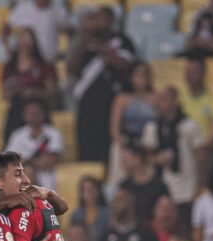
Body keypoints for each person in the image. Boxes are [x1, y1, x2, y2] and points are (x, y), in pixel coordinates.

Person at [67, 6, 135, 162]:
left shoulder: (121, 40)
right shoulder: (85, 42)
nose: (98, 22)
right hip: (87, 103)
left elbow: (124, 64)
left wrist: (101, 49)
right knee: (87, 146)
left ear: (111, 20)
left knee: (108, 148)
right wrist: (84, 39)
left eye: (103, 18)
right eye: (95, 18)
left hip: (111, 103)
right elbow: (72, 70)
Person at [143, 86, 205, 223]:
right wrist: (156, 159)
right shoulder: (152, 127)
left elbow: (201, 159)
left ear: (175, 101)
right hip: (161, 187)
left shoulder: (189, 126)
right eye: (159, 100)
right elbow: (146, 157)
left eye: (165, 99)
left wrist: (198, 188)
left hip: (186, 188)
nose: (162, 104)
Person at [2, 29, 59, 143]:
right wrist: (18, 91)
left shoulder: (44, 65)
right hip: (17, 111)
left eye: (27, 40)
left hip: (39, 108)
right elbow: (4, 93)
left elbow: (52, 91)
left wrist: (34, 92)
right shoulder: (9, 67)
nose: (24, 44)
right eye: (21, 39)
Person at [108, 62, 158, 191]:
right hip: (127, 142)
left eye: (145, 75)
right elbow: (115, 129)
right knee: (115, 148)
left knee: (151, 129)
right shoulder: (122, 99)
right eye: (138, 75)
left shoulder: (156, 98)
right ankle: (115, 188)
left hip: (148, 143)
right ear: (131, 77)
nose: (142, 79)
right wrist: (124, 149)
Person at [5, 98, 63, 189]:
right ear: (24, 115)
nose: (33, 116)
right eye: (30, 113)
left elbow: (50, 161)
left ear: (43, 114)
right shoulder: (17, 135)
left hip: (46, 181)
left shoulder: (53, 133)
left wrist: (26, 162)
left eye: (36, 113)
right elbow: (10, 163)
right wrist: (36, 162)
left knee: (28, 170)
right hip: (20, 183)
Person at [180, 56, 213, 154]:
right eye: (187, 72)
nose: (189, 76)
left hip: (207, 151)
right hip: (182, 150)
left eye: (194, 72)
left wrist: (201, 149)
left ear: (203, 73)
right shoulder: (179, 99)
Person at [4, 0, 70, 64]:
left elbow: (69, 31)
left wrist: (67, 52)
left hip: (48, 64)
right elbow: (6, 28)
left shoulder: (59, 10)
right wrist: (7, 47)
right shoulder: (23, 9)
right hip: (27, 66)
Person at [118, 144, 169, 225]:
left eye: (126, 159)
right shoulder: (124, 186)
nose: (123, 163)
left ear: (137, 159)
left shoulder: (158, 186)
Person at [69, 176, 109, 241]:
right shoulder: (76, 214)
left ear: (98, 191)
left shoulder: (107, 213)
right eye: (86, 190)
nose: (89, 193)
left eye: (92, 189)